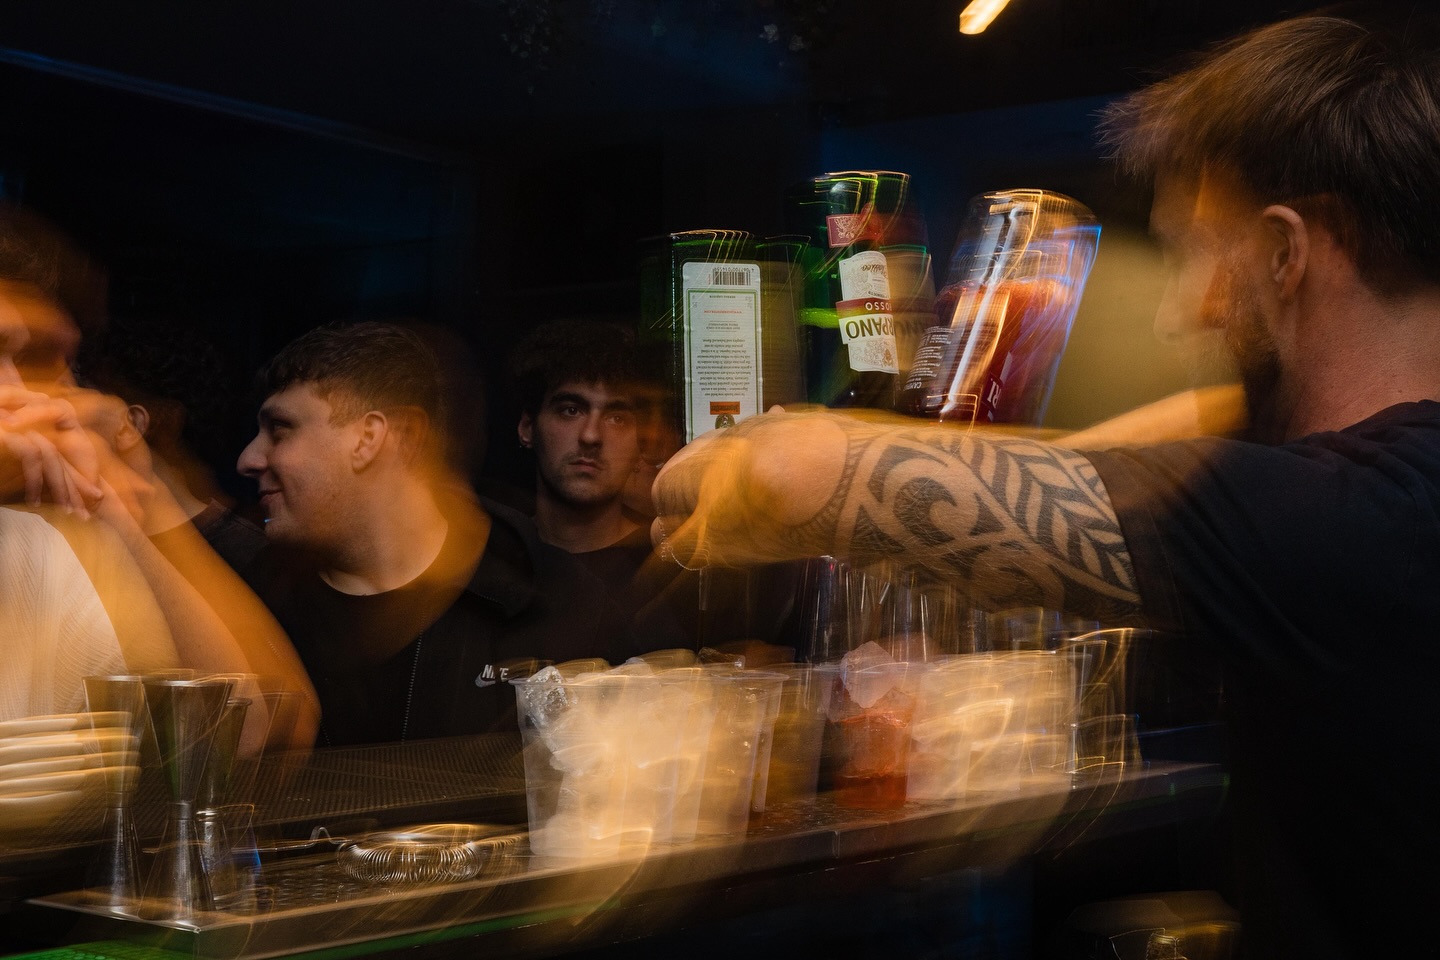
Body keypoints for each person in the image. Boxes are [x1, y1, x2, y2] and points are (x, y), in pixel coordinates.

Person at [651, 9, 1440, 958]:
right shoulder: (1389, 491)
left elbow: (792, 478)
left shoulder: (1360, 525)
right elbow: (1206, 424)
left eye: (1191, 253)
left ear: (1286, 254)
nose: (1178, 317)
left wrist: (744, 461)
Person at [238, 320, 634, 747]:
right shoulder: (253, 602)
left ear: (370, 437)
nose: (249, 459)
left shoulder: (556, 604)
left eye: (280, 430)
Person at [76, 316, 267, 574]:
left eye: (80, 395)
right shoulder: (91, 531)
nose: (67, 413)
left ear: (133, 423)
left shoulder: (250, 556)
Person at [508, 318, 652, 581]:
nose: (591, 435)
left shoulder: (666, 568)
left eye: (616, 418)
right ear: (528, 428)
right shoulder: (493, 561)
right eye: (571, 411)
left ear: (641, 444)